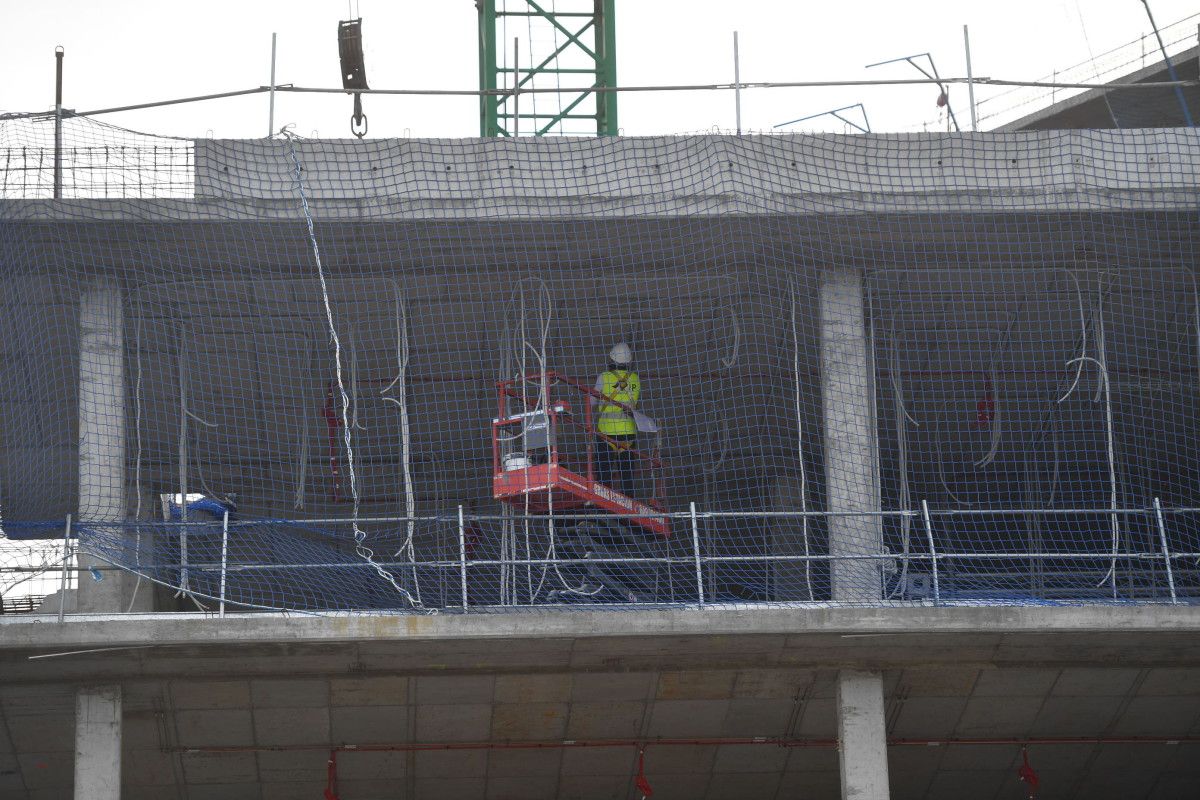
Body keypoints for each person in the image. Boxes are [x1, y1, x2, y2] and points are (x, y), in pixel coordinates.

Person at [592, 342, 641, 496]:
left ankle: (603, 499)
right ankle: (629, 501)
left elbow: (591, 401)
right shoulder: (635, 379)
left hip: (607, 432)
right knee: (626, 474)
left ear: (612, 359)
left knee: (604, 471)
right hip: (629, 433)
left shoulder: (604, 377)